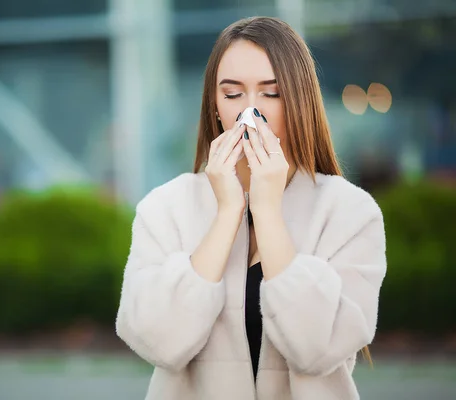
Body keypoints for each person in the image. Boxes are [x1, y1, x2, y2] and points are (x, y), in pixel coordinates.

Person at [116, 16, 387, 400]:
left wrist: (268, 210)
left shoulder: (349, 212)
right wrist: (227, 212)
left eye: (271, 93)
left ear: (299, 102)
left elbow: (317, 349)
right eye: (232, 94)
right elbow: (157, 342)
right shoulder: (166, 208)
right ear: (214, 106)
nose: (250, 113)